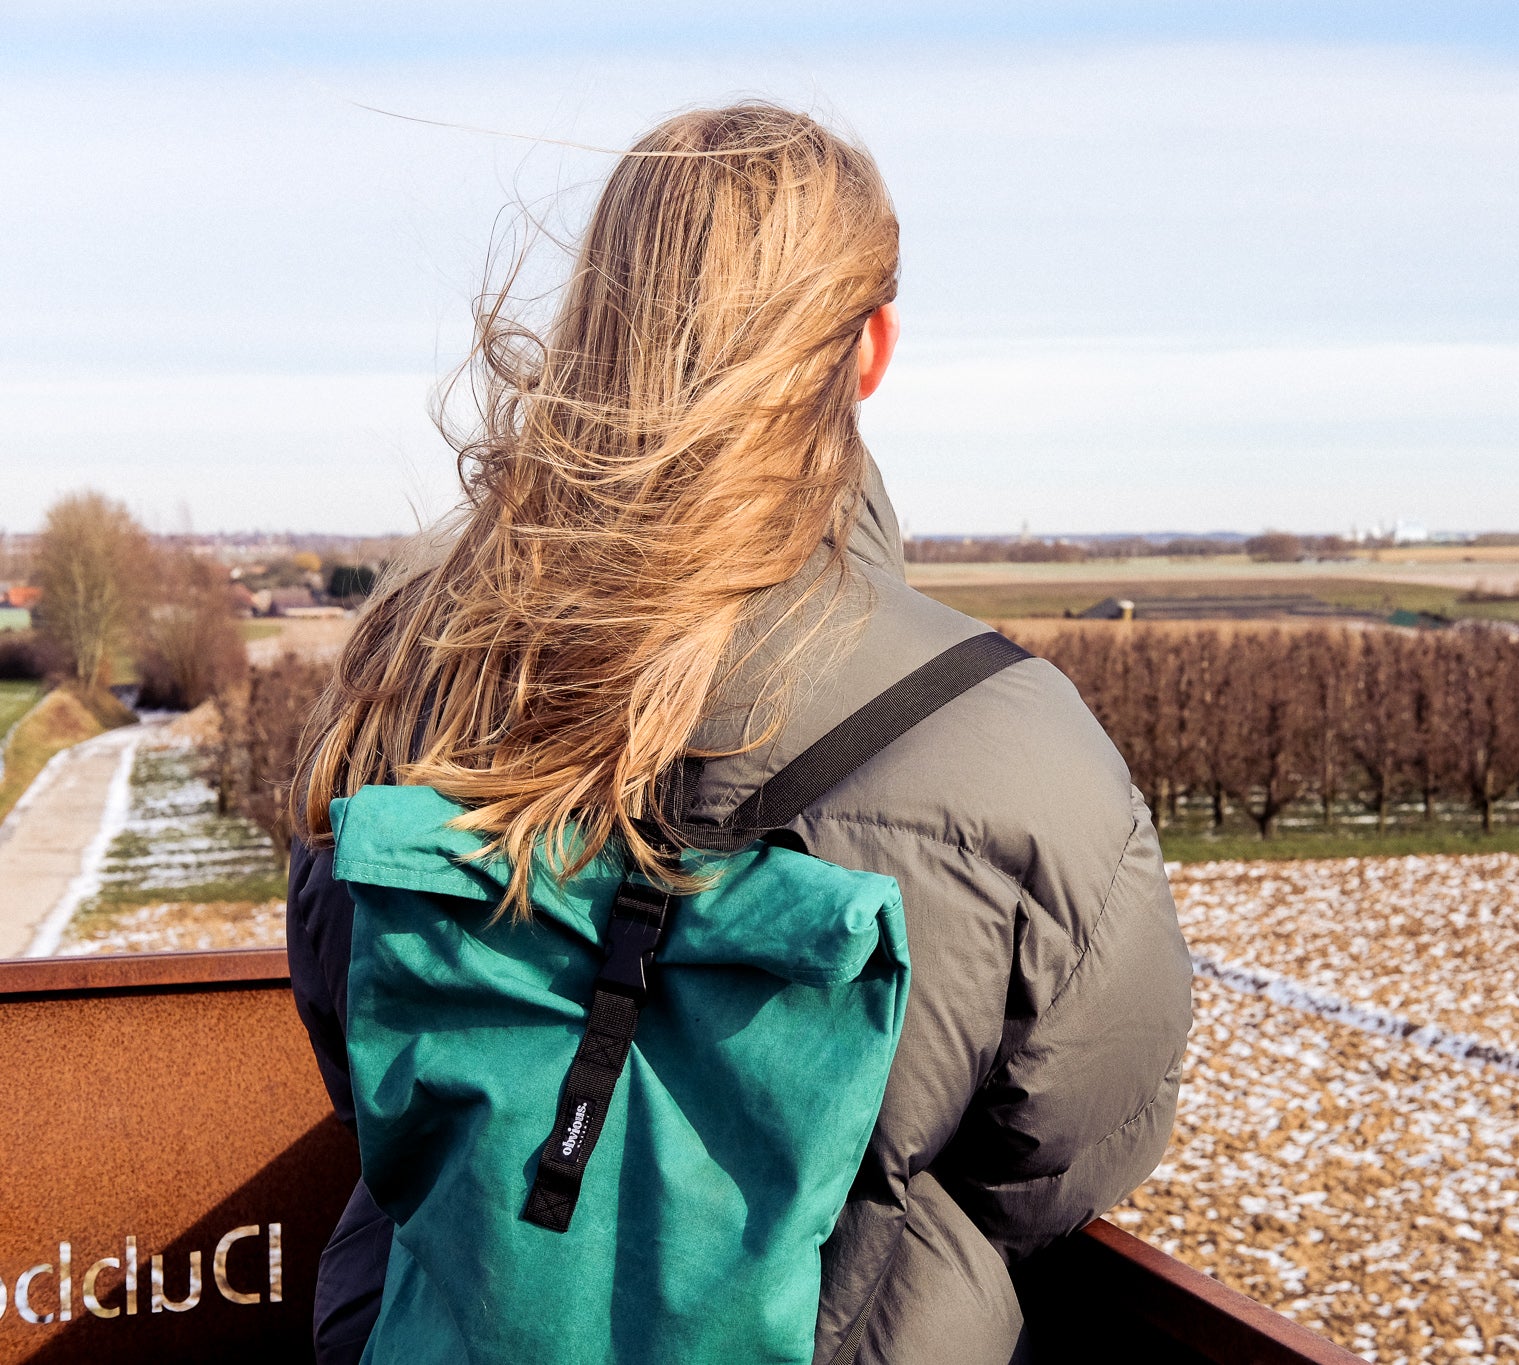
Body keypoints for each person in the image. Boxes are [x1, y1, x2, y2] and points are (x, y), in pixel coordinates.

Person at [284, 102, 1192, 1365]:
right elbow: (1071, 1145)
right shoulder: (1011, 738)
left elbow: (356, 1034)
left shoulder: (413, 672)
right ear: (869, 349)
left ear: (598, 316)